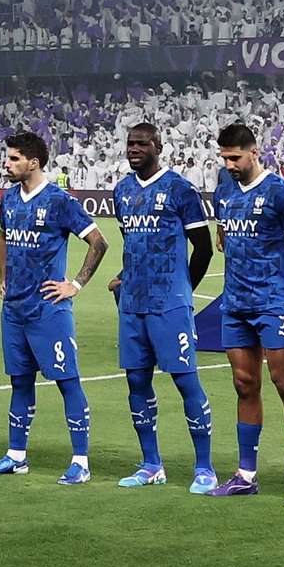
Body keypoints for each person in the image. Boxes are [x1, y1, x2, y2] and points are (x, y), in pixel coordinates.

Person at [0, 129, 104, 483]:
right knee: (20, 383)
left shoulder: (59, 200)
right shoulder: (10, 199)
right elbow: (4, 236)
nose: (7, 163)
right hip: (14, 309)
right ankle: (16, 455)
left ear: (33, 163)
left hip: (48, 310)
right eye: (8, 157)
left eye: (14, 158)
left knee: (68, 382)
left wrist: (75, 284)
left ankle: (81, 461)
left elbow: (98, 241)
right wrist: (3, 277)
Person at [210, 121, 284, 502]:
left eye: (235, 157)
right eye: (224, 158)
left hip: (273, 302)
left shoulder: (281, 194)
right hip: (235, 303)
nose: (230, 165)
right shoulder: (223, 189)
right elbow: (224, 234)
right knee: (244, 384)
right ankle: (245, 474)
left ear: (255, 152)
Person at [108, 121, 220, 490]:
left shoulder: (179, 189)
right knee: (136, 380)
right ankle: (150, 464)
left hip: (169, 304)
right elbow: (131, 241)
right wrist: (125, 276)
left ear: (158, 145)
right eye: (130, 144)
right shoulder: (121, 191)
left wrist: (184, 288)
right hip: (133, 304)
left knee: (186, 381)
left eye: (141, 144)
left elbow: (202, 246)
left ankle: (204, 467)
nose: (134, 149)